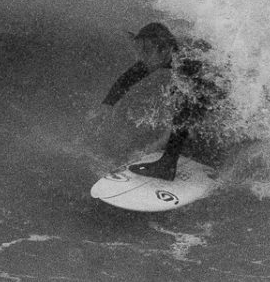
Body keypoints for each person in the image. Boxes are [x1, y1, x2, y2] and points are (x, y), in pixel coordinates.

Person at [96, 21, 224, 181]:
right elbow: (129, 77)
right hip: (213, 83)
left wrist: (165, 150)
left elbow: (188, 110)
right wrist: (107, 105)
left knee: (185, 101)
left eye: (147, 51)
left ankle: (167, 165)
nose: (142, 56)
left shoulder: (185, 63)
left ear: (165, 50)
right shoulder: (166, 55)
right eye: (140, 50)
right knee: (184, 103)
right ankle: (184, 144)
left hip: (227, 88)